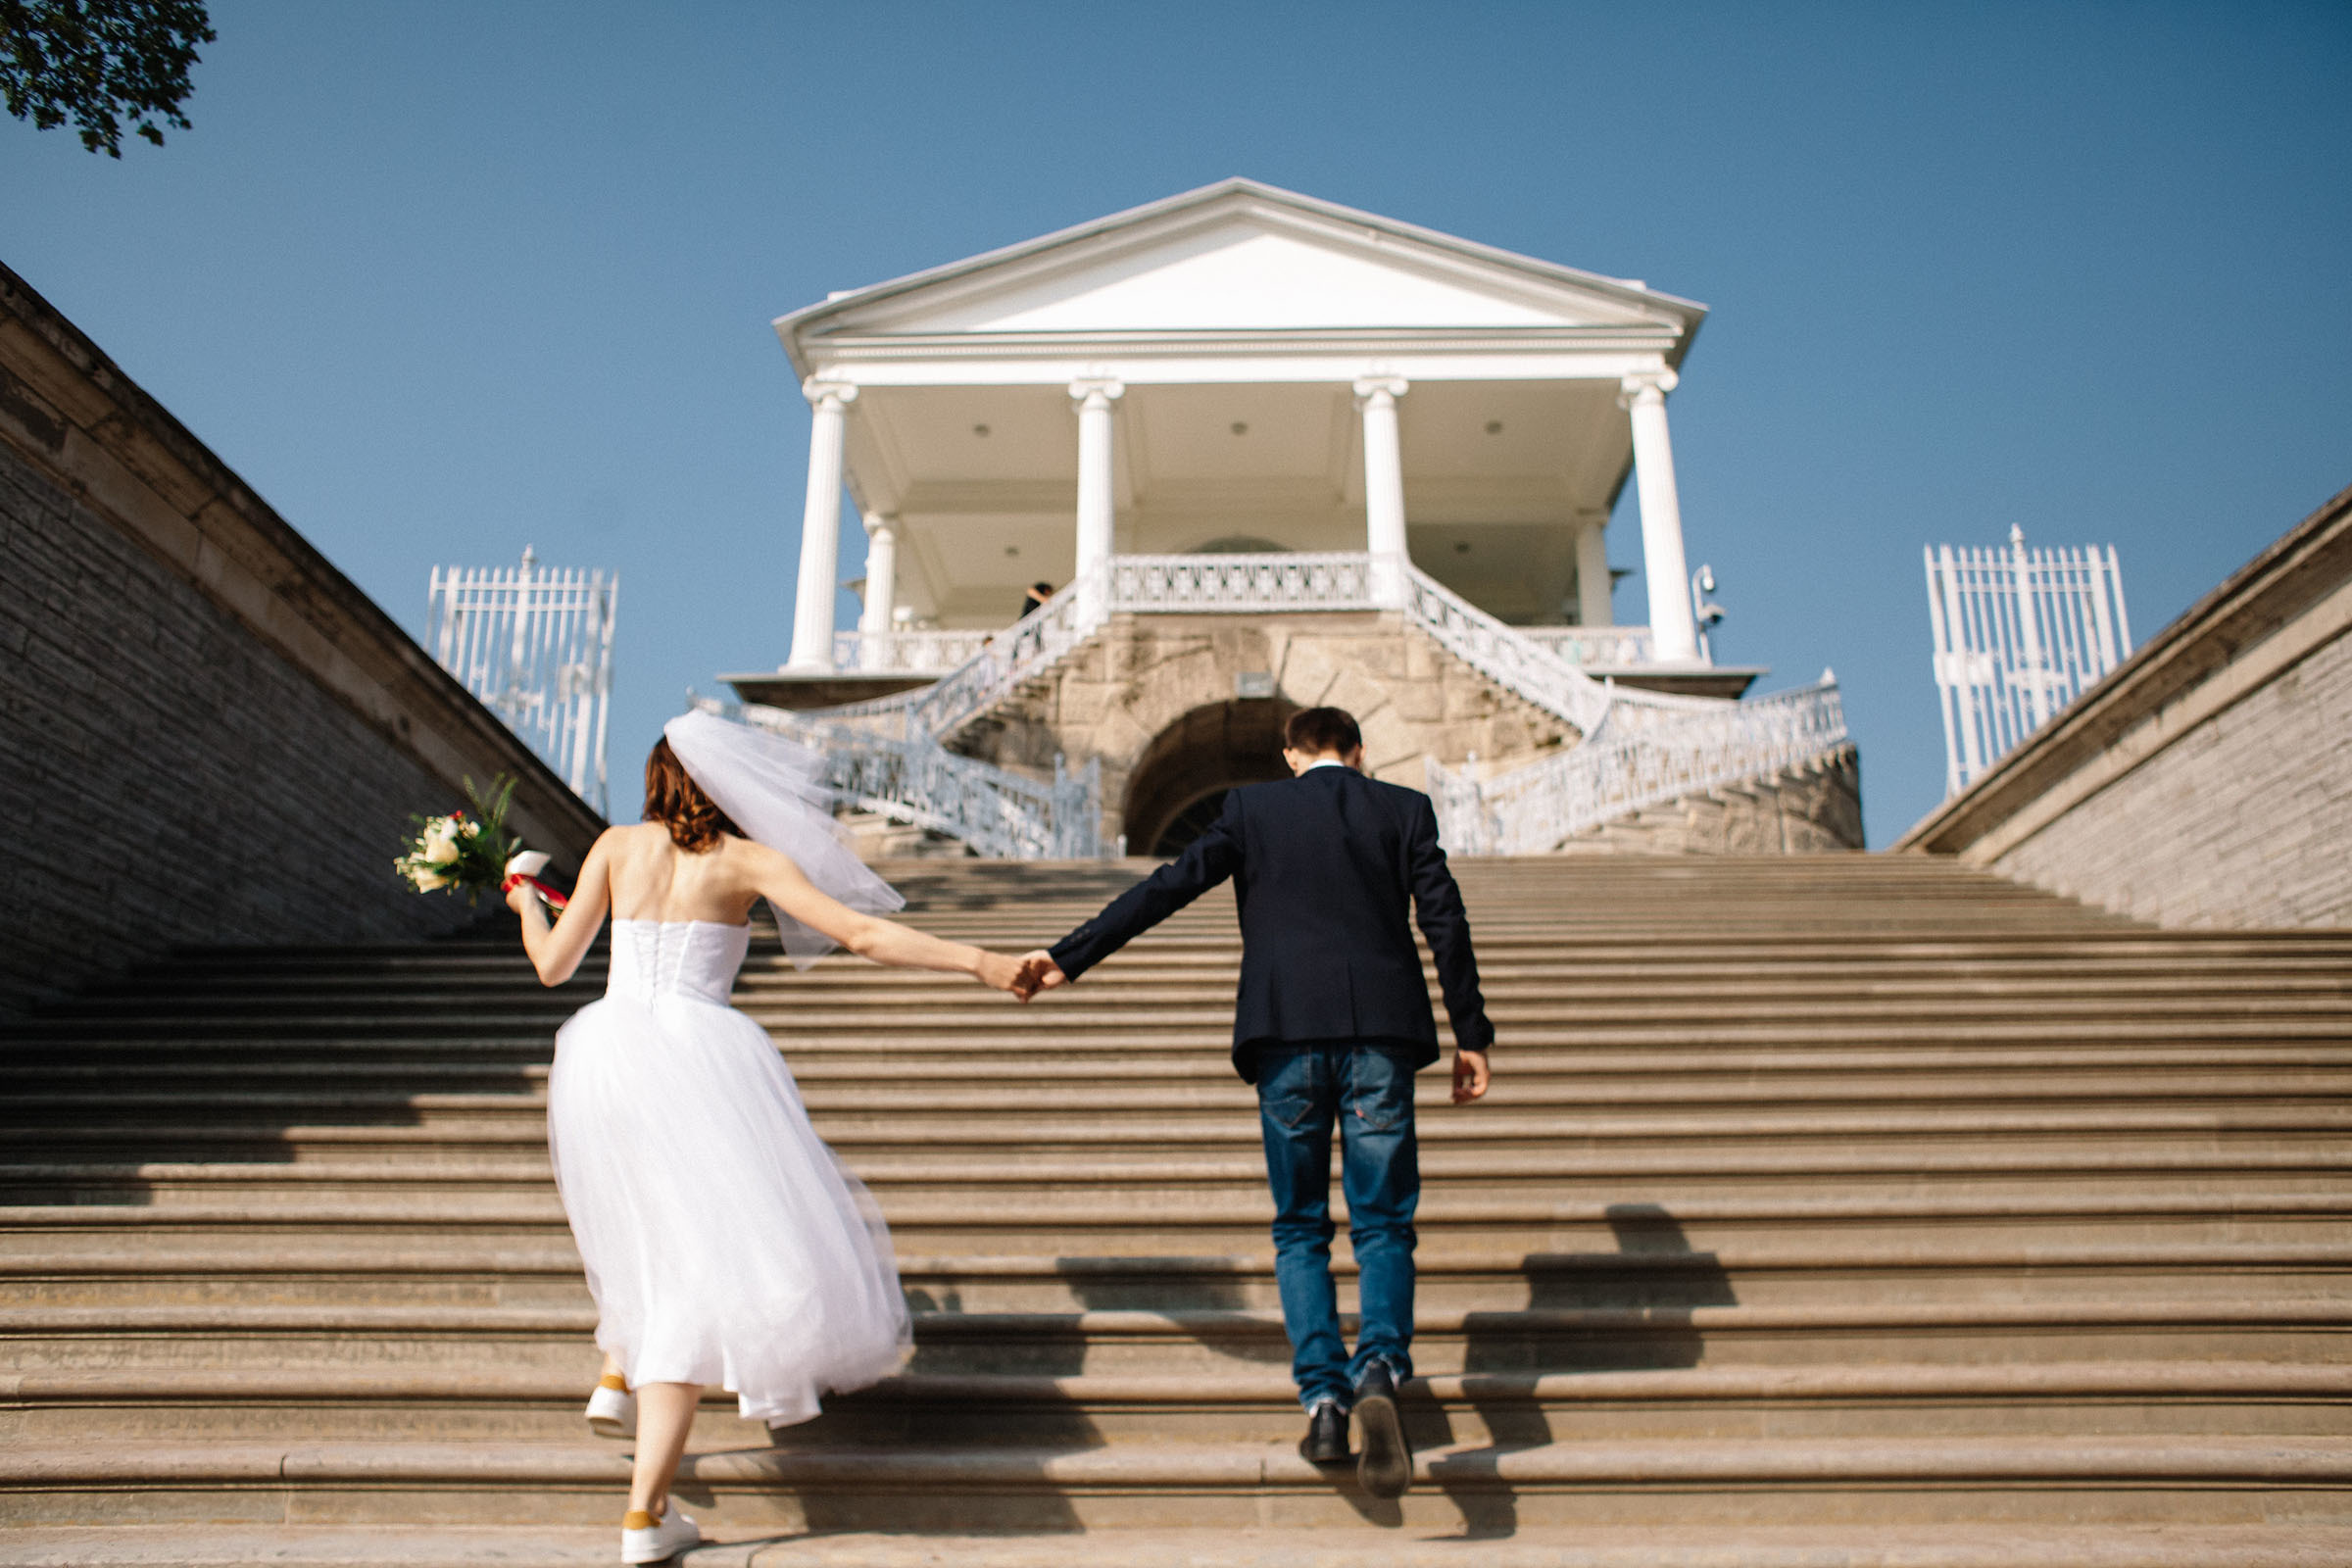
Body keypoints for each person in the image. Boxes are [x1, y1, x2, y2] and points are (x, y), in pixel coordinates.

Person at [507, 711, 1041, 1564]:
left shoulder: (614, 847)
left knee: (643, 1224)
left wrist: (526, 904)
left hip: (604, 1055)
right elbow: (862, 935)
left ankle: (617, 1366)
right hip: (700, 1057)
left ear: (657, 779)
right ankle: (643, 1513)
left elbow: (553, 968)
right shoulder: (750, 861)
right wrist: (978, 961)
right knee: (689, 1266)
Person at [1022, 707, 1492, 1500]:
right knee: (1382, 1222)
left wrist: (1071, 957)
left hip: (1284, 1038)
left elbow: (1165, 887)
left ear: (1290, 755)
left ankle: (1323, 1400)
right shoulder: (1403, 809)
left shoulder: (1252, 808)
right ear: (1360, 751)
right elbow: (1444, 919)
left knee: (1299, 1224)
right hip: (1382, 1035)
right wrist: (1472, 1033)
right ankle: (1378, 1361)